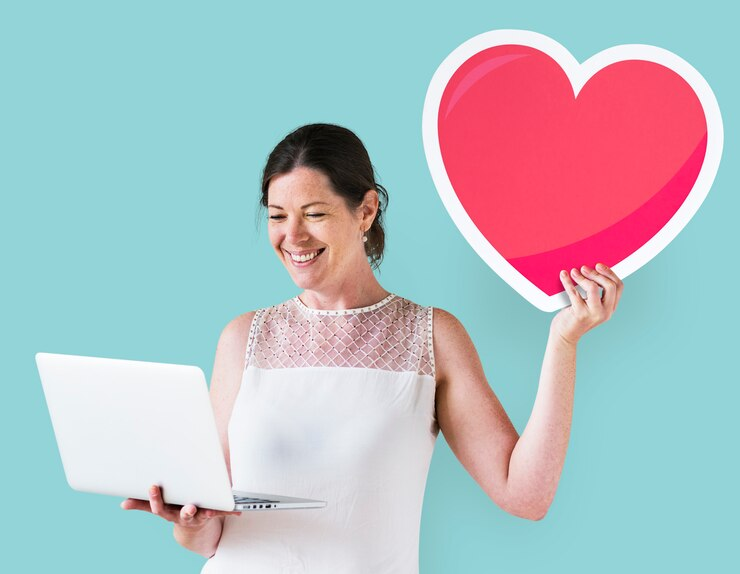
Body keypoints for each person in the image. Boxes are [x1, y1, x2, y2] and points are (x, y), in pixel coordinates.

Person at [121, 123, 624, 572]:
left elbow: (525, 495)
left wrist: (564, 340)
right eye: (277, 216)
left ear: (365, 210)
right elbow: (210, 536)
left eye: (313, 213)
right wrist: (188, 522)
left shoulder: (430, 336)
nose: (292, 236)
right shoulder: (243, 338)